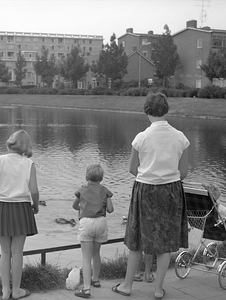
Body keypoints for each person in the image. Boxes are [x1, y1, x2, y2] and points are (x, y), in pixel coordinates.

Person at [112, 93, 189, 300]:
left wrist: (150, 176)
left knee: (137, 238)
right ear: (166, 110)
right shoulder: (180, 137)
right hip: (171, 190)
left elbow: (131, 169)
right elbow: (183, 173)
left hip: (145, 189)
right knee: (165, 240)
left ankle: (127, 286)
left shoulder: (141, 137)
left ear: (147, 112)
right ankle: (157, 289)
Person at [0, 130, 40, 300]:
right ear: (25, 146)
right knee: (17, 252)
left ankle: (5, 291)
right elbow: (35, 191)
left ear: (10, 142)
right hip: (21, 207)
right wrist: (35, 206)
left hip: (0, 206)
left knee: (4, 252)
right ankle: (16, 291)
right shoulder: (28, 163)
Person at [72, 164, 114, 298]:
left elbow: (74, 205)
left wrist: (83, 207)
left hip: (86, 222)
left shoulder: (82, 190)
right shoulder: (105, 191)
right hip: (101, 222)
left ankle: (86, 288)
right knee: (96, 253)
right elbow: (111, 209)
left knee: (86, 256)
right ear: (101, 178)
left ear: (86, 177)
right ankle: (95, 279)